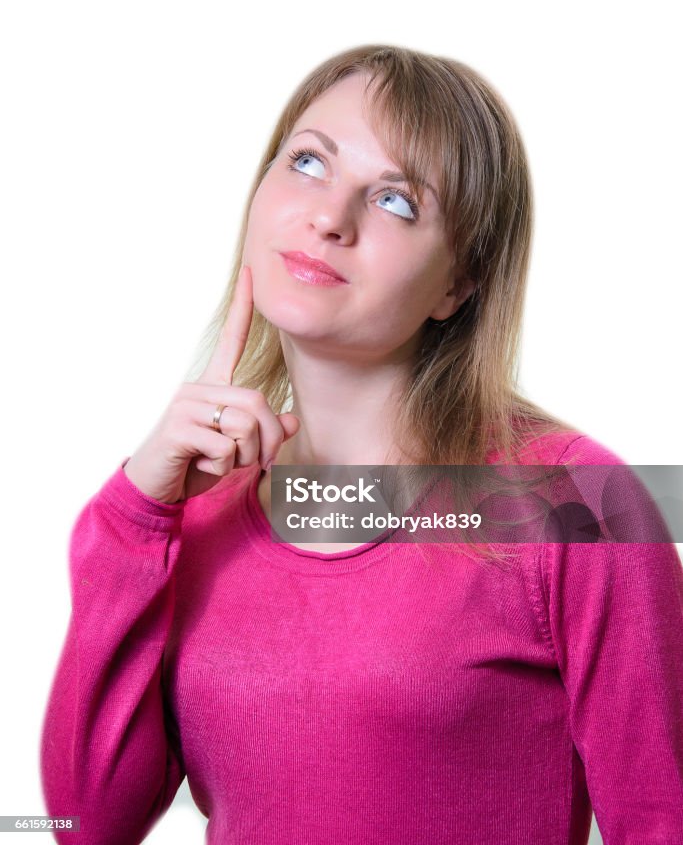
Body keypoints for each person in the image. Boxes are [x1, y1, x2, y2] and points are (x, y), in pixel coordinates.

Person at [40, 45, 683, 843]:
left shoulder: (576, 505)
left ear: (460, 282)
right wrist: (136, 515)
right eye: (307, 162)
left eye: (397, 203)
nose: (328, 217)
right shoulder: (192, 518)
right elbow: (86, 823)